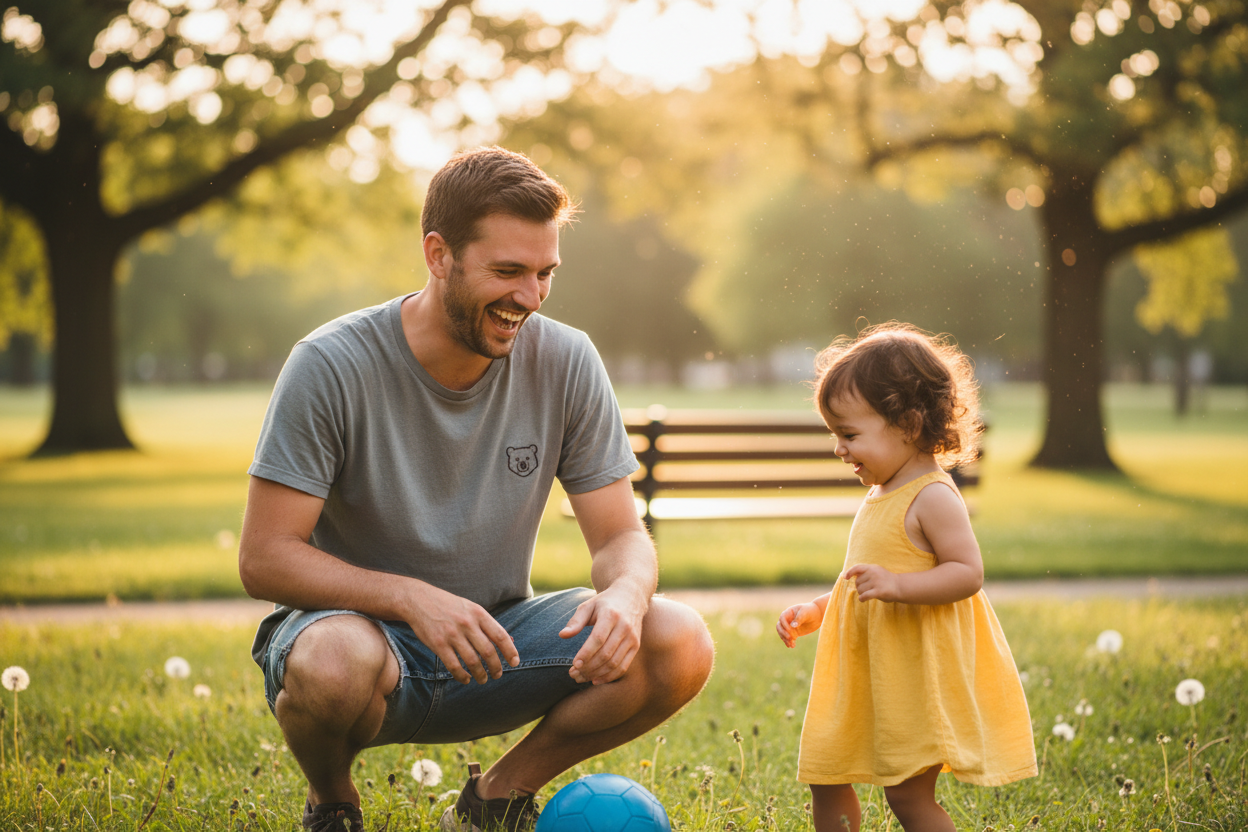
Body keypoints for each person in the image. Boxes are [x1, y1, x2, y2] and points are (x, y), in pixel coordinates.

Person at [239, 146, 715, 832]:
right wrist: (410, 597)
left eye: (545, 273)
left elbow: (618, 537)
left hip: (495, 648)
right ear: (439, 256)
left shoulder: (566, 359)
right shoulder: (330, 363)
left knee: (678, 637)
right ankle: (333, 801)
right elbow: (264, 557)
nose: (529, 297)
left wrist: (625, 595)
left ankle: (496, 798)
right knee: (333, 660)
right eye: (507, 271)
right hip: (361, 646)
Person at [775, 324, 1036, 832]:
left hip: (910, 678)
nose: (839, 449)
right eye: (835, 435)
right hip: (862, 675)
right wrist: (818, 611)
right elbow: (859, 580)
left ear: (909, 424)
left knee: (906, 794)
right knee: (825, 772)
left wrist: (898, 586)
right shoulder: (880, 495)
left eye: (849, 435)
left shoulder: (931, 496)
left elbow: (967, 573)